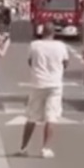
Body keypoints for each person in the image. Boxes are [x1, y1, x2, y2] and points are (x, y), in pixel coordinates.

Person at [19, 23, 69, 157]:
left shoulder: (34, 45)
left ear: (42, 32)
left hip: (37, 83)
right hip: (55, 84)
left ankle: (24, 147)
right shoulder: (61, 46)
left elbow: (30, 62)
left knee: (31, 116)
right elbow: (65, 63)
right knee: (51, 117)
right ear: (54, 33)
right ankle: (45, 148)